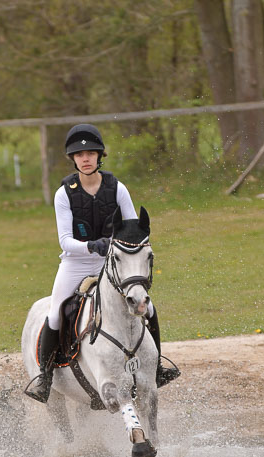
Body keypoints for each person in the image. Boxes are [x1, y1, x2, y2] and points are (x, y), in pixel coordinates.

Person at [25, 123, 180, 403]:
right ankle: (45, 378)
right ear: (73, 159)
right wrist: (91, 246)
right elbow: (64, 240)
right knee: (56, 313)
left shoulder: (117, 188)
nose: (85, 158)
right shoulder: (64, 194)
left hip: (112, 262)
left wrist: (122, 246)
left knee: (149, 308)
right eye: (79, 154)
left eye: (91, 153)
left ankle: (156, 367)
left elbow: (132, 227)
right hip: (76, 263)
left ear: (100, 156)